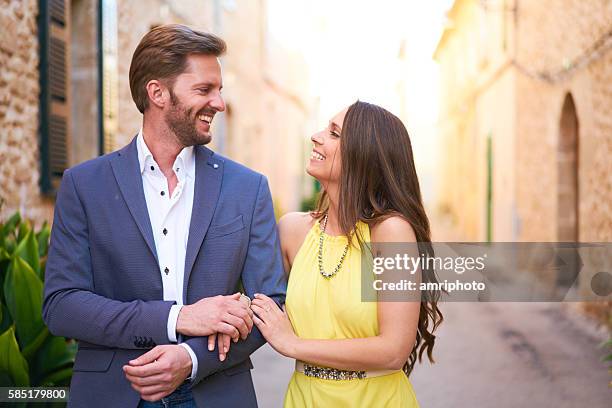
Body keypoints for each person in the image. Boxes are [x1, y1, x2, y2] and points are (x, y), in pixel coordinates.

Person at [42, 24, 286, 407]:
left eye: (219, 90)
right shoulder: (84, 185)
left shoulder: (248, 188)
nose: (219, 103)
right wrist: (177, 319)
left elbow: (270, 304)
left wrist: (190, 359)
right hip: (114, 393)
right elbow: (62, 305)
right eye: (205, 90)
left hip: (215, 390)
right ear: (157, 93)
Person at [249, 101, 443, 407]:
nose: (316, 136)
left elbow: (393, 350)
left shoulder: (391, 232)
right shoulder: (292, 231)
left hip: (375, 400)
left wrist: (293, 344)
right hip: (304, 398)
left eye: (334, 133)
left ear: (363, 154)